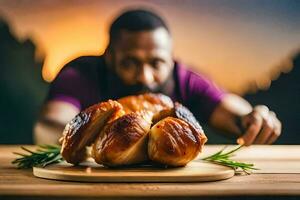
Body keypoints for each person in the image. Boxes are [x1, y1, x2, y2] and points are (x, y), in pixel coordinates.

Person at [34, 9, 281, 146]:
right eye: (130, 62)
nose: (145, 76)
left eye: (156, 63)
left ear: (170, 59)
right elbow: (49, 128)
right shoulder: (80, 74)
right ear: (109, 57)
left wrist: (254, 118)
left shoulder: (185, 79)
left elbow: (231, 112)